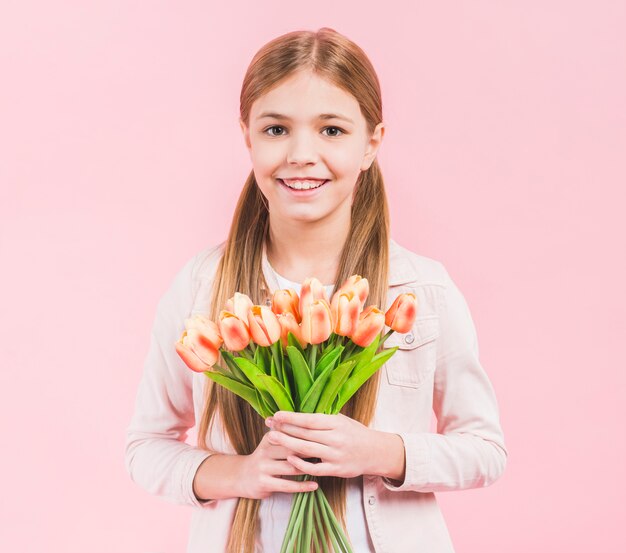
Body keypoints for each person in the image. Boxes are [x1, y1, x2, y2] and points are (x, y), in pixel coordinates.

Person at [124, 27, 508, 553]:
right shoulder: (203, 287)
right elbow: (145, 447)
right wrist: (242, 473)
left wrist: (381, 452)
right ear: (247, 137)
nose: (302, 154)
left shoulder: (421, 289)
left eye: (332, 130)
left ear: (372, 143)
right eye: (276, 129)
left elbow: (485, 450)